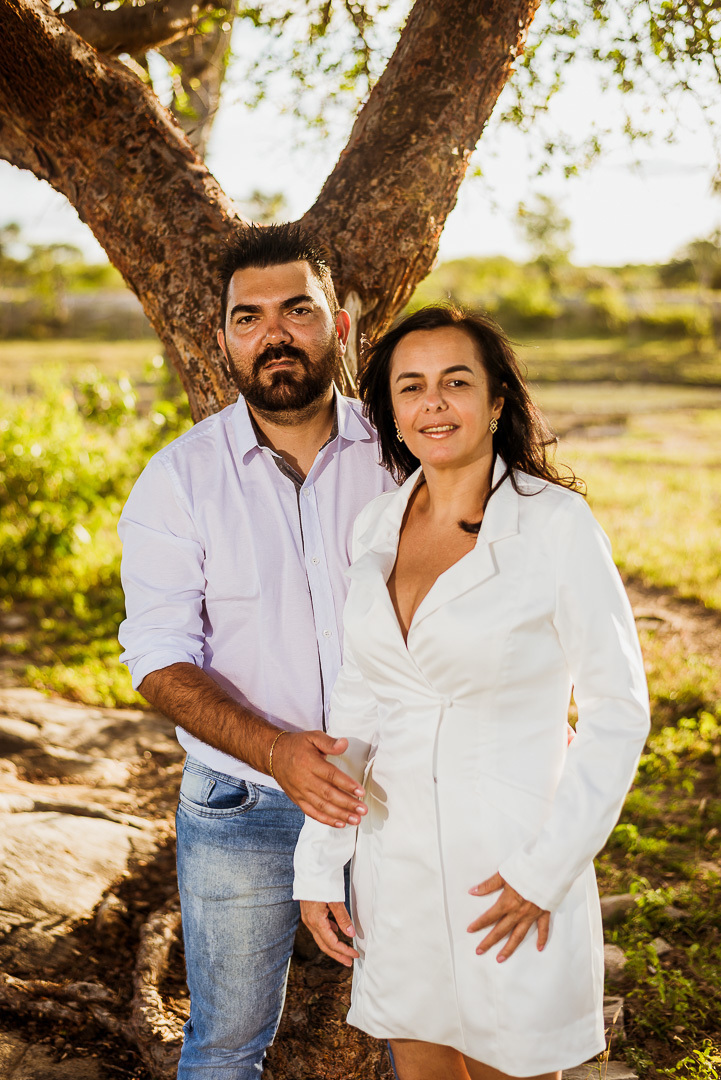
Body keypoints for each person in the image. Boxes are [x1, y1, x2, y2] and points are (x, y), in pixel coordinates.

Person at [293, 305, 651, 1080]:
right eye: (410, 386)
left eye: (456, 383)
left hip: (510, 871)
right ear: (390, 409)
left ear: (495, 402)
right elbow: (360, 701)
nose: (433, 404)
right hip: (396, 865)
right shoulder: (377, 527)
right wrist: (320, 862)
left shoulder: (555, 526)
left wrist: (545, 867)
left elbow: (618, 711)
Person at [117, 222, 396, 1078]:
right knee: (227, 1043)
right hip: (242, 804)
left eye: (296, 310)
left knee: (423, 1023)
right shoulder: (179, 480)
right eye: (249, 318)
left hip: (397, 791)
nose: (273, 334)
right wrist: (277, 751)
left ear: (339, 327)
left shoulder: (405, 457)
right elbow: (160, 659)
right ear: (224, 339)